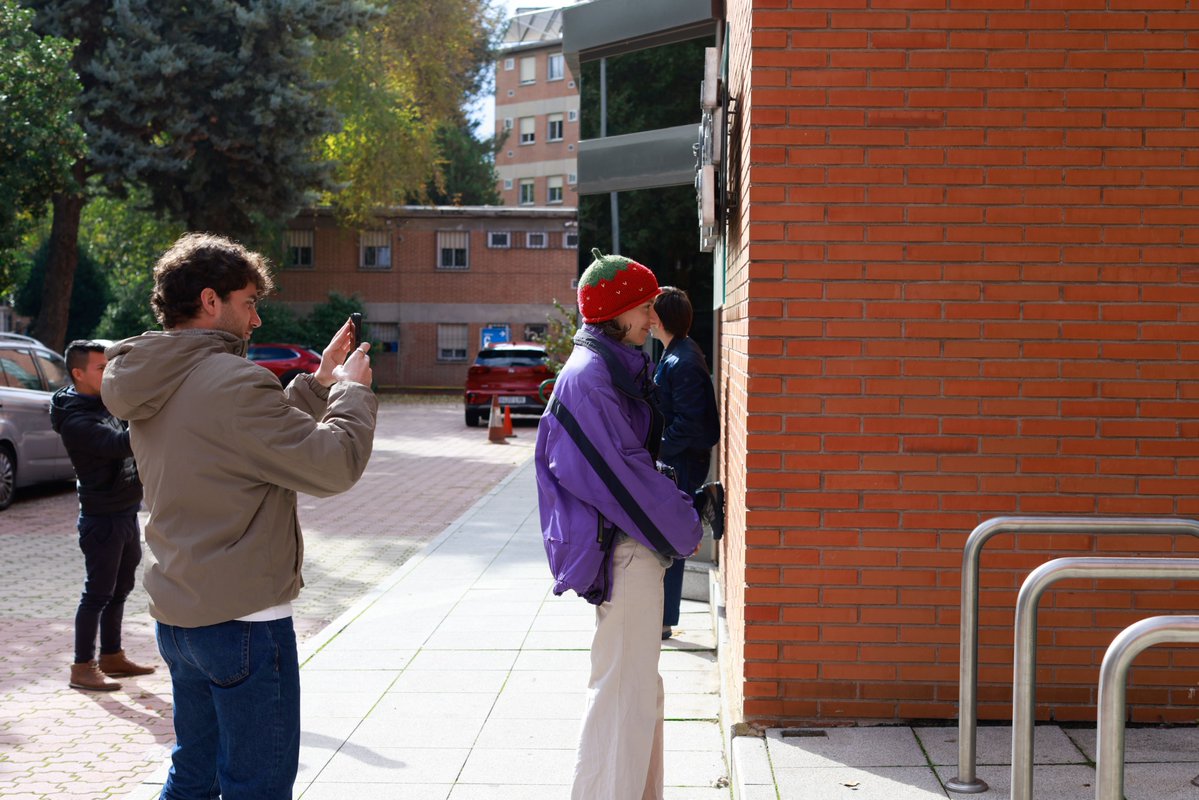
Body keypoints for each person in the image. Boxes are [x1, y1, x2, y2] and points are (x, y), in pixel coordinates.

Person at [101, 232, 378, 800]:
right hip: (246, 624)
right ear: (210, 300)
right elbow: (332, 466)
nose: (255, 320)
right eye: (249, 302)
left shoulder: (152, 377)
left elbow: (245, 440)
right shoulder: (233, 380)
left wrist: (320, 381)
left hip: (180, 618)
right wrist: (352, 395)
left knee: (192, 777)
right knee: (257, 786)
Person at [535, 248, 703, 800]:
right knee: (622, 699)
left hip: (627, 550)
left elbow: (624, 466)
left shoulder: (605, 367)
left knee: (636, 694)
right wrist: (686, 522)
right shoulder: (592, 378)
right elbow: (622, 477)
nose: (652, 318)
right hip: (625, 550)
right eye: (645, 306)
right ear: (617, 312)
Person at [50, 340, 155, 692]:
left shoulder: (101, 401)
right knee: (97, 593)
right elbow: (119, 444)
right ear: (79, 374)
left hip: (125, 511)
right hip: (101, 519)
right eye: (101, 368)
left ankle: (112, 655)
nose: (108, 373)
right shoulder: (76, 419)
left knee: (120, 588)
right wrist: (155, 415)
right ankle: (82, 666)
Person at [651, 287, 720, 640]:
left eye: (651, 312)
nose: (647, 319)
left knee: (671, 536)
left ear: (661, 319)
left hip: (683, 461)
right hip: (679, 459)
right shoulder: (675, 354)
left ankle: (663, 620)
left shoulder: (684, 360)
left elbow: (690, 424)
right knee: (669, 533)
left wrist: (656, 451)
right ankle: (701, 501)